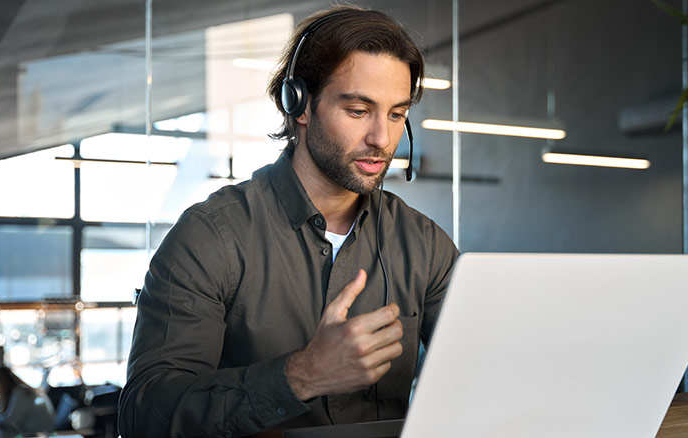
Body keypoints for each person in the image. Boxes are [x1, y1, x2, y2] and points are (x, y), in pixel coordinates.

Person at [118, 5, 458, 437]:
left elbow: (485, 371)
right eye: (358, 110)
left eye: (396, 114)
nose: (382, 139)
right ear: (299, 104)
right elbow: (144, 417)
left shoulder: (423, 243)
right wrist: (301, 376)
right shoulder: (211, 237)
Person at [0, 364, 55, 437]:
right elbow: (7, 412)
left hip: (40, 433)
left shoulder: (22, 393)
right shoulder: (19, 391)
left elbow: (11, 421)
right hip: (36, 432)